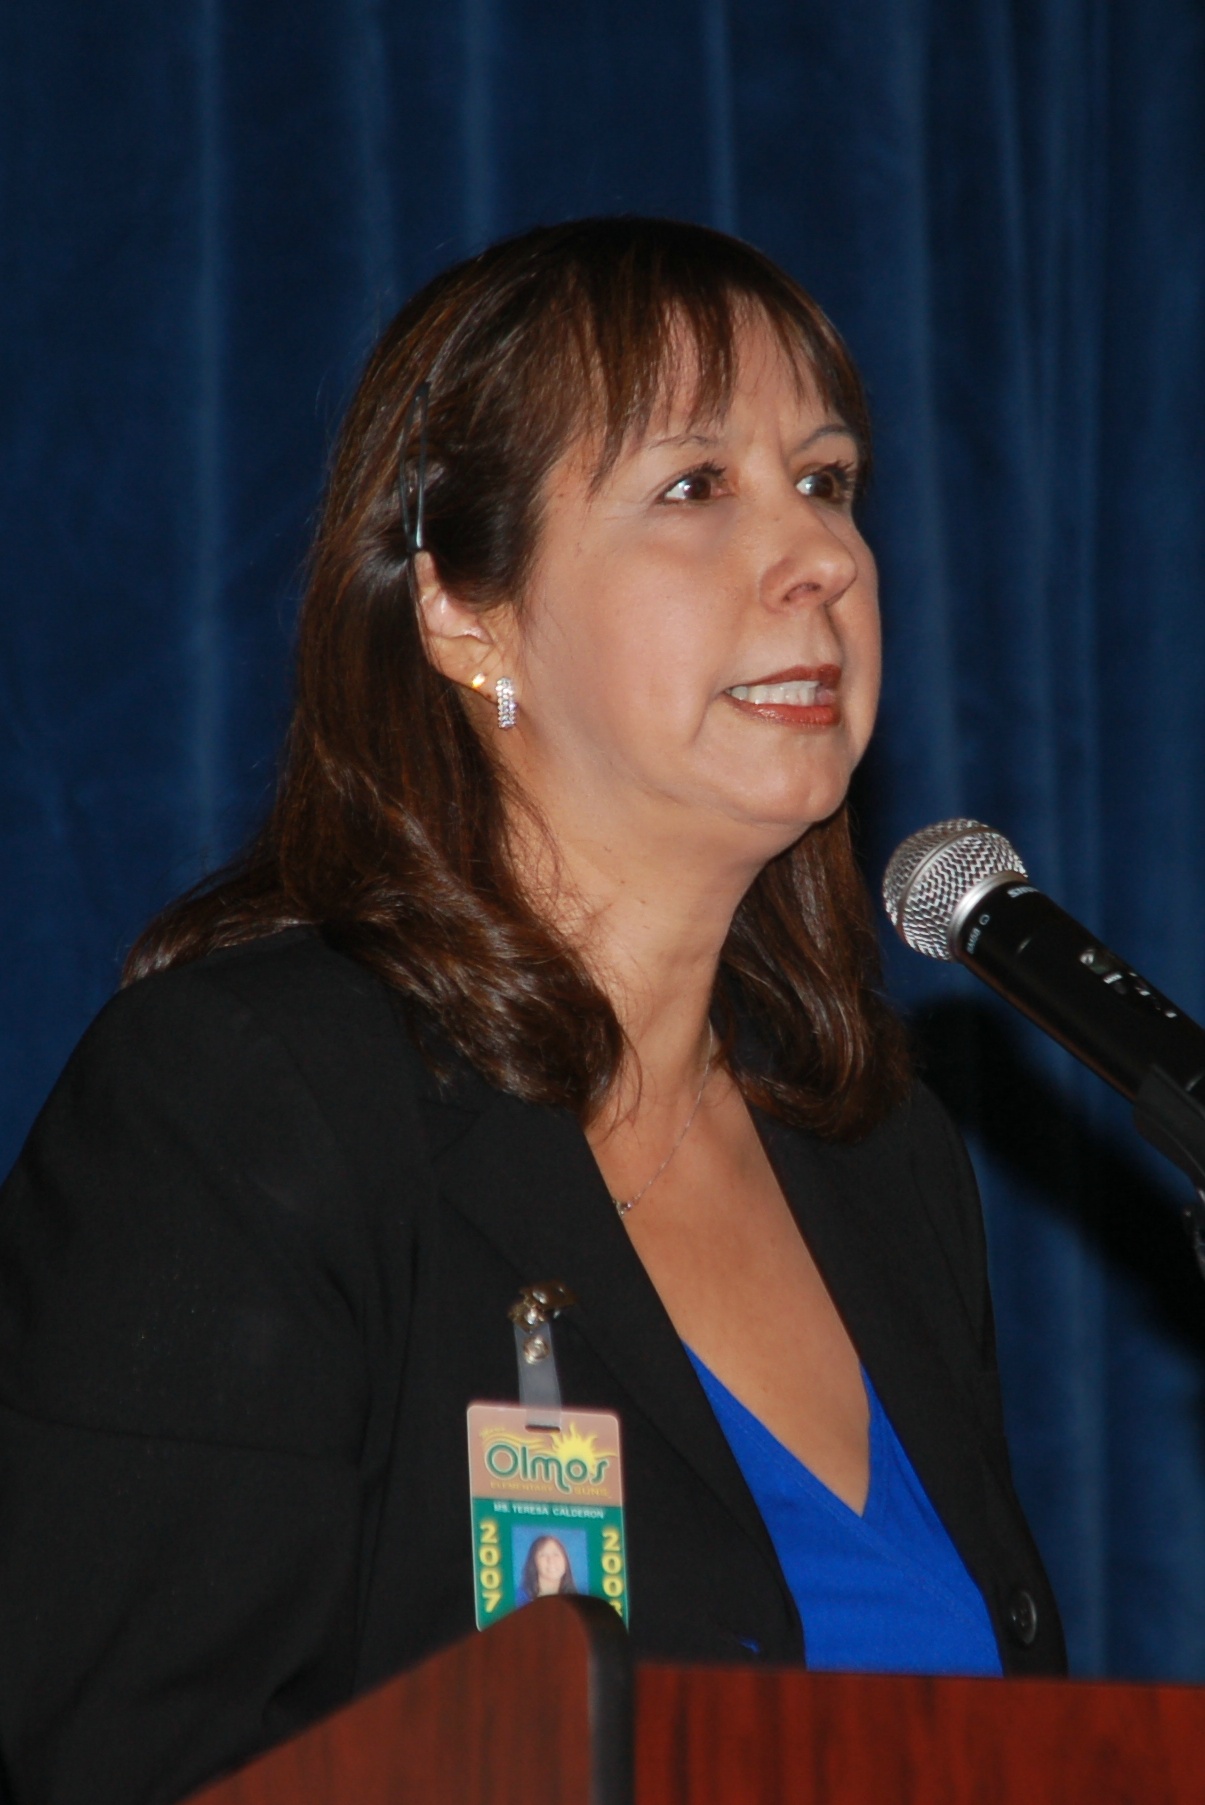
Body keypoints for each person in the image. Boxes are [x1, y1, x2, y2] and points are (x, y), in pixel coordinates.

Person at [0, 217, 1065, 1805]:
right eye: (695, 487)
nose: (823, 557)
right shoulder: (247, 1101)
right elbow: (127, 1758)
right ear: (463, 610)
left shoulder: (881, 1156)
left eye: (828, 480)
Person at [518, 1535, 578, 1604]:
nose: (551, 1560)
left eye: (556, 1554)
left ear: (566, 1561)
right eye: (543, 1555)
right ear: (533, 1562)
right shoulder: (519, 1599)